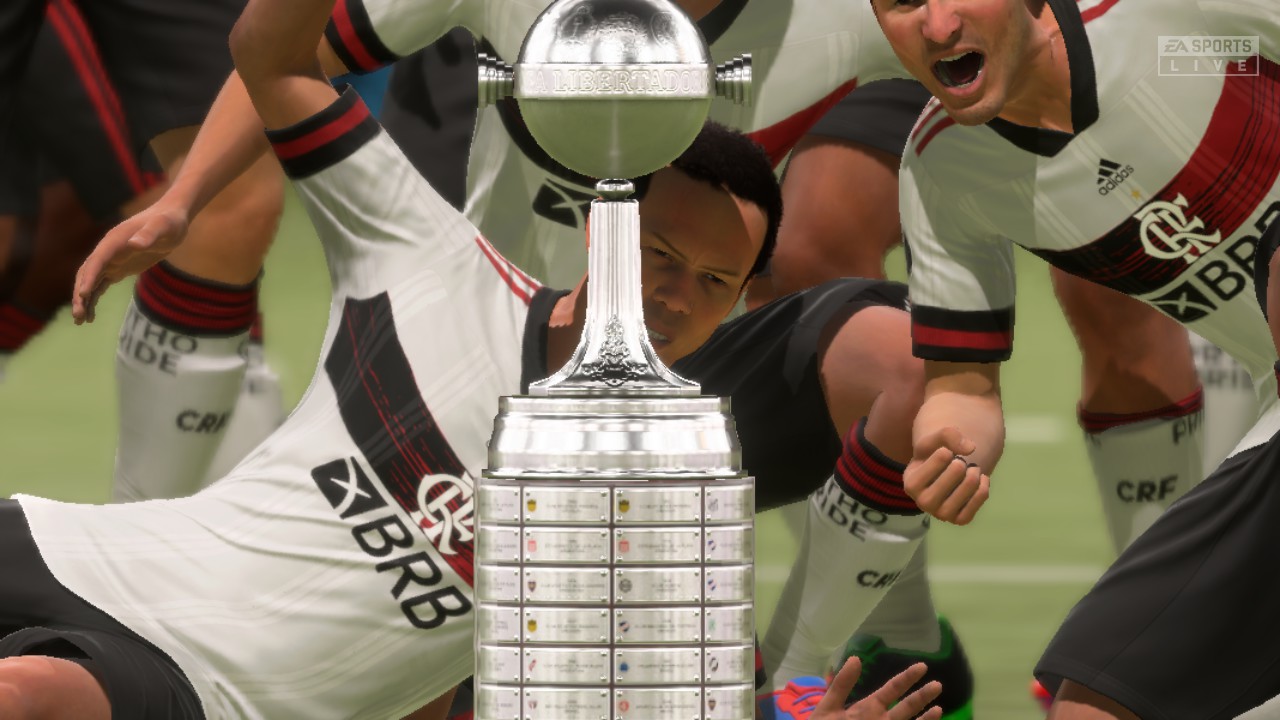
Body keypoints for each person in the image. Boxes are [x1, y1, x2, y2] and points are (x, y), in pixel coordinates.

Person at [0, 1, 960, 715]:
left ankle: (848, 649)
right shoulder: (425, 259)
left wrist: (786, 701)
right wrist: (183, 200)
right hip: (82, 550)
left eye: (716, 281)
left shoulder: (653, 492)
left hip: (195, 680)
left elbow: (996, 47)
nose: (677, 292)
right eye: (663, 258)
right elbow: (283, 54)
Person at [865, 0, 1280, 716]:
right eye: (902, 1)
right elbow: (964, 387)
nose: (936, 27)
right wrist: (951, 442)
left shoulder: (1173, 15)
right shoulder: (946, 172)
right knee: (1094, 705)